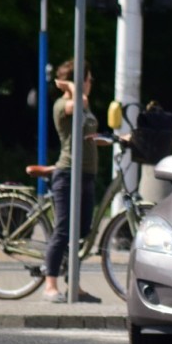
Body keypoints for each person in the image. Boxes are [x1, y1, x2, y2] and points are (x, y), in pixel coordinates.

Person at [43, 60, 109, 303]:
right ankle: (50, 285)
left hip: (87, 174)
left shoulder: (82, 104)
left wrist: (117, 140)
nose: (91, 84)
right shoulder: (64, 104)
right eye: (88, 79)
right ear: (79, 82)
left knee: (81, 232)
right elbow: (77, 104)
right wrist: (73, 87)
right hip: (68, 173)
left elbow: (88, 135)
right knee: (63, 229)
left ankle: (75, 285)